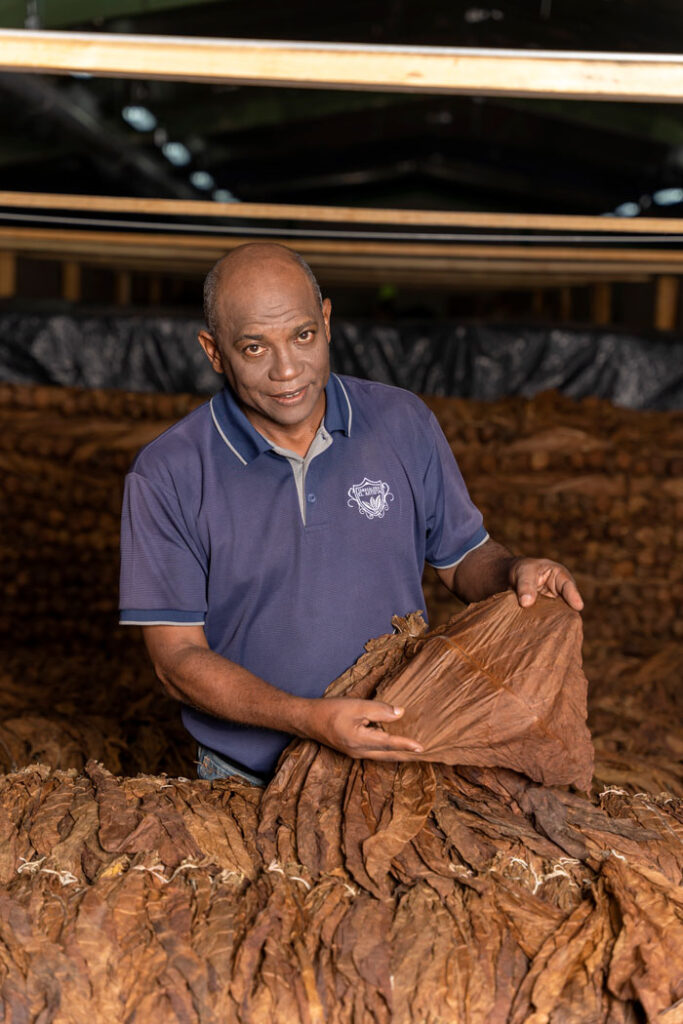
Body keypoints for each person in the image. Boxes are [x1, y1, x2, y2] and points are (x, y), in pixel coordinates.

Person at [119, 243, 583, 786]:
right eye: (253, 348)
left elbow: (462, 560)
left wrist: (513, 573)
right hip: (242, 780)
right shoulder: (168, 471)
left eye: (303, 335)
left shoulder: (401, 421)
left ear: (327, 321)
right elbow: (176, 661)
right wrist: (306, 719)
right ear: (214, 351)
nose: (287, 369)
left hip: (397, 760)